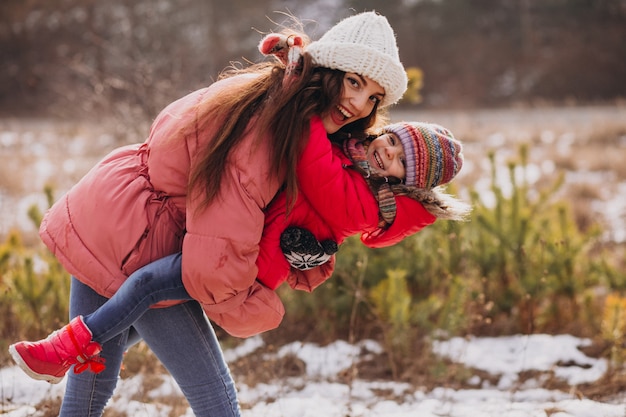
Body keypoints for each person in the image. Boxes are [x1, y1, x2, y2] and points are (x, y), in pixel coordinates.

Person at [8, 10, 408, 417]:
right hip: (144, 243)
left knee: (90, 382)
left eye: (374, 97)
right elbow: (223, 237)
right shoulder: (272, 128)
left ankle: (59, 348)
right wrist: (249, 301)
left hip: (109, 215)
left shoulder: (276, 97)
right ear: (327, 70)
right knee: (216, 400)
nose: (359, 103)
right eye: (354, 82)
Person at [10, 120, 470, 385]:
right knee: (148, 303)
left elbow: (313, 163)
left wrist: (302, 93)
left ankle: (66, 347)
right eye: (391, 140)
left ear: (407, 182)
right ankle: (87, 346)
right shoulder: (354, 155)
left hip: (245, 263)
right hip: (237, 242)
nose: (386, 151)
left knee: (149, 284)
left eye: (400, 160)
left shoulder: (367, 204)